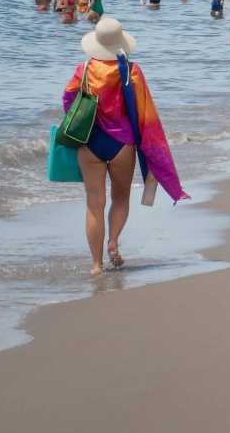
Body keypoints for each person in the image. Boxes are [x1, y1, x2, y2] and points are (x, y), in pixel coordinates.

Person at [62, 17, 189, 275]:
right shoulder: (132, 71)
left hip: (89, 143)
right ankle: (113, 241)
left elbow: (67, 102)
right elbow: (144, 111)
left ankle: (96, 266)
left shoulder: (84, 70)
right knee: (120, 198)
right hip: (122, 145)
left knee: (93, 204)